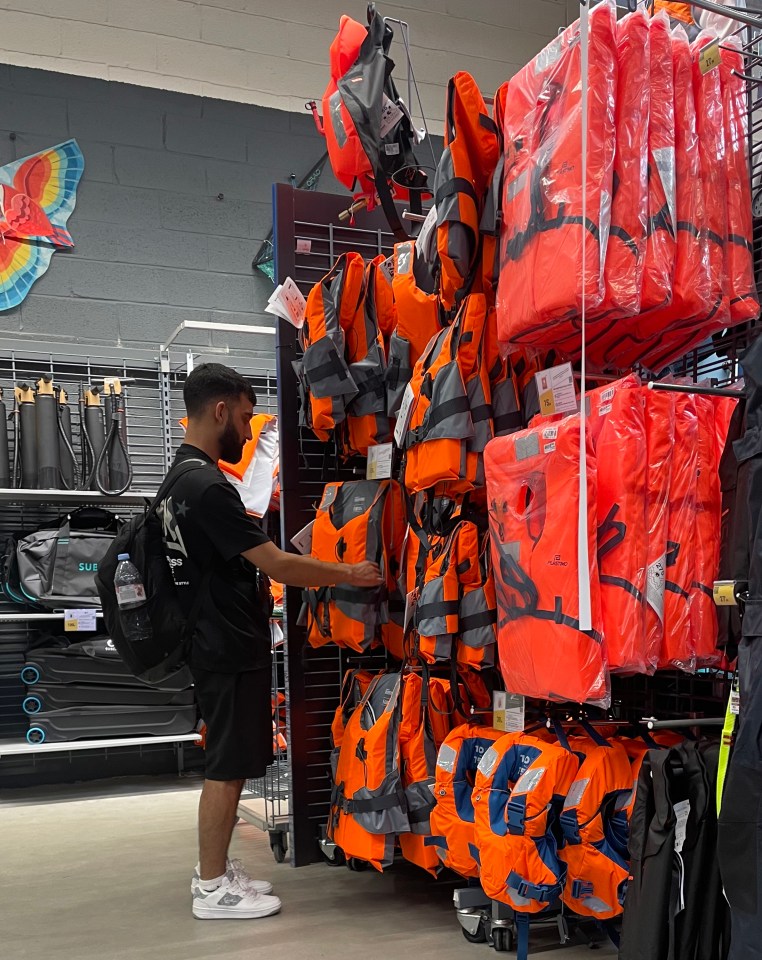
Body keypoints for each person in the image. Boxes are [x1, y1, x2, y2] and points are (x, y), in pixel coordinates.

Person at [159, 363, 382, 920]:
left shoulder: (180, 476)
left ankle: (214, 872)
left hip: (215, 641)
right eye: (243, 416)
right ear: (219, 411)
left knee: (228, 762)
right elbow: (277, 564)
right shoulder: (207, 487)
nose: (246, 428)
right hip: (225, 645)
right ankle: (213, 888)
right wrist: (349, 572)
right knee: (225, 767)